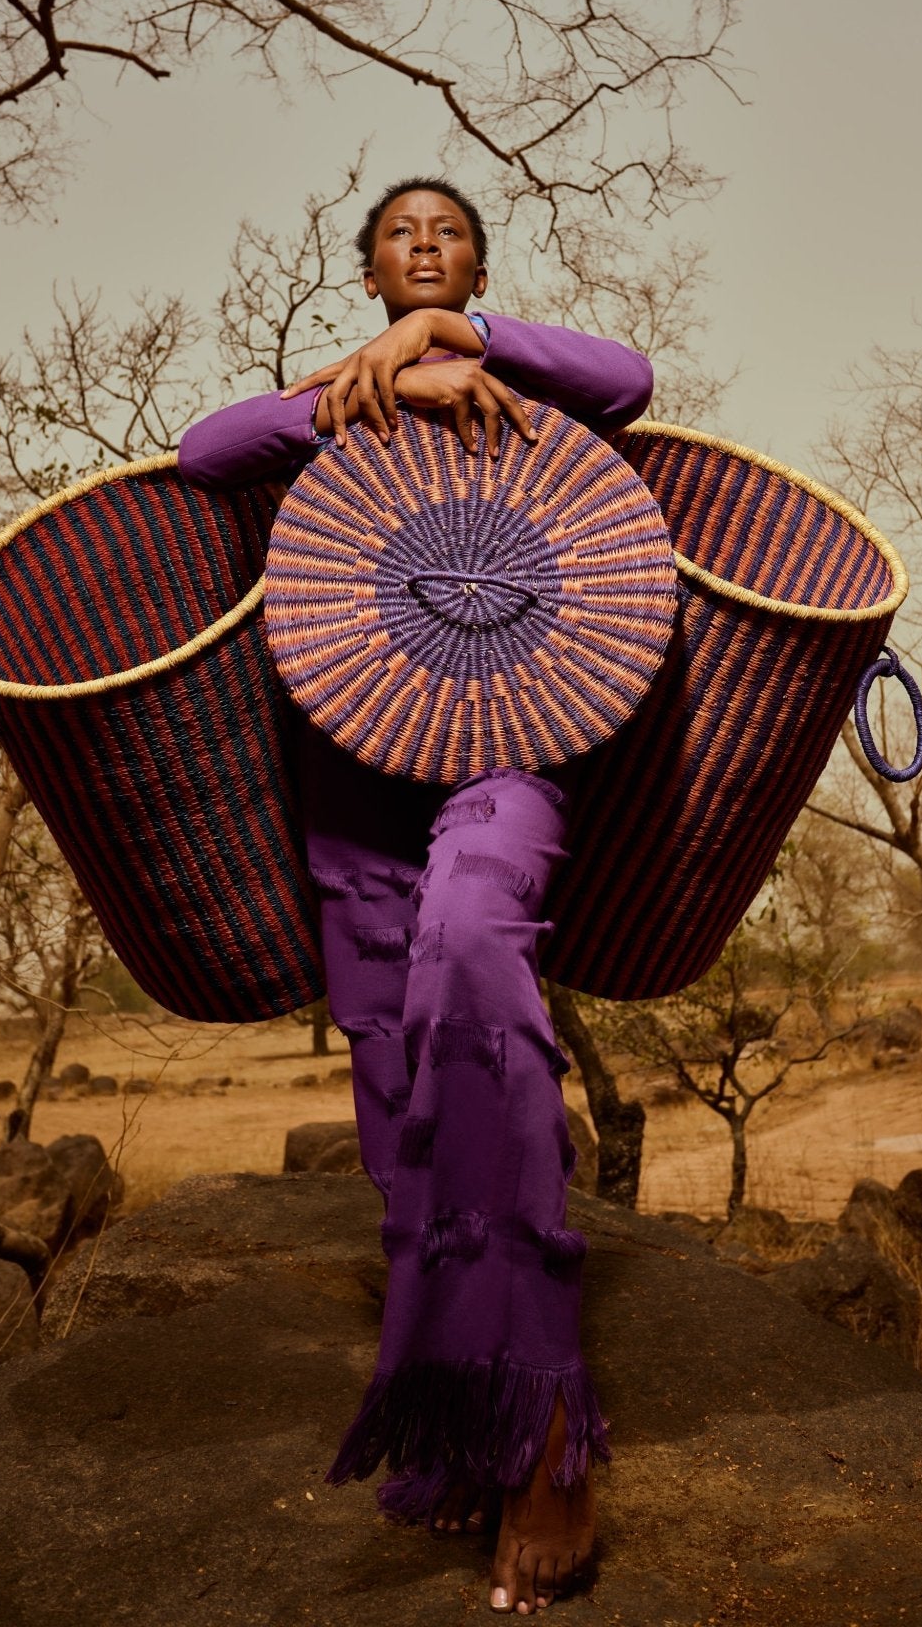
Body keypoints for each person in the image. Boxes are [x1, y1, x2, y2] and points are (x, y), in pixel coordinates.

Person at [177, 181, 653, 1615]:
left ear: (477, 264)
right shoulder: (335, 404)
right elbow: (203, 451)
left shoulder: (533, 382)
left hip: (509, 757)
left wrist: (467, 343)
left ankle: (553, 1433)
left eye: (447, 233)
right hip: (351, 783)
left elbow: (632, 377)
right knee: (396, 1110)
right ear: (366, 266)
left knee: (474, 958)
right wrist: (350, 384)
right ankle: (457, 1417)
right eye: (399, 236)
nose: (423, 244)